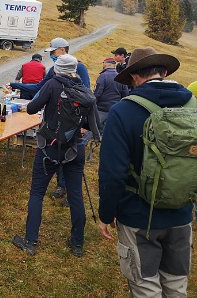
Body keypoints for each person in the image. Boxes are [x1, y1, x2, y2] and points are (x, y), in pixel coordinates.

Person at [98, 47, 193, 296]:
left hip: (138, 216)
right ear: (163, 72)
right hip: (182, 213)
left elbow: (113, 173)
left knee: (145, 285)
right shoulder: (193, 106)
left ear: (135, 77)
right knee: (176, 284)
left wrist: (106, 214)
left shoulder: (123, 110)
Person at [12, 54, 100, 257]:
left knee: (37, 193)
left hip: (48, 149)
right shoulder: (82, 89)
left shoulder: (52, 84)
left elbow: (33, 107)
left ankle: (30, 241)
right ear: (74, 70)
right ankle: (77, 244)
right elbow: (88, 124)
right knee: (76, 195)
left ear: (57, 68)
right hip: (74, 150)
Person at [8, 38, 91, 203]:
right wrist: (15, 85)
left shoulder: (79, 67)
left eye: (53, 52)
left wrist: (84, 124)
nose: (51, 55)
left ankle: (69, 191)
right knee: (57, 152)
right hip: (54, 123)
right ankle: (61, 185)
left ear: (61, 50)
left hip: (72, 123)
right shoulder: (54, 70)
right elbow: (39, 88)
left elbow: (87, 95)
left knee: (70, 155)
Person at [93, 57, 129, 129]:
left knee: (95, 130)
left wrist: (93, 105)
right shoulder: (120, 77)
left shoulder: (102, 76)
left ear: (106, 64)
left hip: (102, 109)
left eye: (103, 63)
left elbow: (97, 94)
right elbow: (125, 94)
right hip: (115, 110)